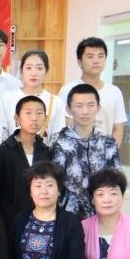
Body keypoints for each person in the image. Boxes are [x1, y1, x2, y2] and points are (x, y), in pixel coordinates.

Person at [52, 84, 120, 220]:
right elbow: (54, 185)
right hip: (69, 218)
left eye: (90, 105)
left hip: (102, 217)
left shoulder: (108, 143)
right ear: (68, 109)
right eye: (79, 106)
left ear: (98, 108)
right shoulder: (59, 143)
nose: (85, 111)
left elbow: (116, 182)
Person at [0, 95, 52, 225]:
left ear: (45, 118)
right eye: (28, 113)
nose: (34, 118)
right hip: (10, 221)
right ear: (17, 118)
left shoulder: (46, 152)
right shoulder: (3, 152)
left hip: (42, 221)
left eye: (39, 113)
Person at [58, 37, 126, 146]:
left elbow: (118, 129)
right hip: (74, 152)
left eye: (100, 56)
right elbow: (66, 126)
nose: (96, 60)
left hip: (105, 153)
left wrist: (110, 153)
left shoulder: (115, 92)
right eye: (90, 56)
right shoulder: (67, 90)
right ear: (79, 62)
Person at [1, 50, 66, 146]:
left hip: (43, 154)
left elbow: (58, 138)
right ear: (21, 71)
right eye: (29, 68)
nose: (34, 73)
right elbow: (3, 134)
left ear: (46, 71)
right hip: (12, 153)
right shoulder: (7, 98)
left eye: (39, 68)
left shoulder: (56, 102)